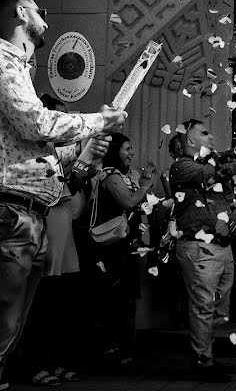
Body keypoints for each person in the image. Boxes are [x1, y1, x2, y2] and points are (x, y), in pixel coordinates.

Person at [0, 0, 126, 391]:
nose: (46, 20)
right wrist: (97, 123)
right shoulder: (1, 61)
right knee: (3, 315)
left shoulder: (21, 68)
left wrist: (83, 151)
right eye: (40, 12)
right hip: (11, 209)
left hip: (32, 210)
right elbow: (35, 124)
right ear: (21, 13)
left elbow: (41, 153)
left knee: (13, 321)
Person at [168, 119, 236, 381]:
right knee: (203, 306)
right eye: (204, 133)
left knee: (218, 309)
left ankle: (206, 355)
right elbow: (221, 172)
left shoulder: (211, 159)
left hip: (221, 246)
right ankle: (202, 362)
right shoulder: (182, 166)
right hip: (199, 247)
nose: (211, 136)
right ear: (190, 141)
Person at [15, 95, 102, 386]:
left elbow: (76, 205)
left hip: (66, 242)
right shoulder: (31, 154)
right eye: (59, 120)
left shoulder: (64, 156)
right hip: (43, 236)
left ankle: (58, 361)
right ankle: (31, 365)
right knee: (38, 307)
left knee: (62, 307)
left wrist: (84, 169)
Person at [90, 134, 151, 369]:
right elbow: (128, 203)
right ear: (116, 150)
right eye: (127, 148)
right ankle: (115, 350)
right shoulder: (111, 176)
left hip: (128, 246)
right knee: (117, 298)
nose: (132, 152)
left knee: (126, 298)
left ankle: (126, 348)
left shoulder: (124, 176)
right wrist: (145, 184)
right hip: (113, 248)